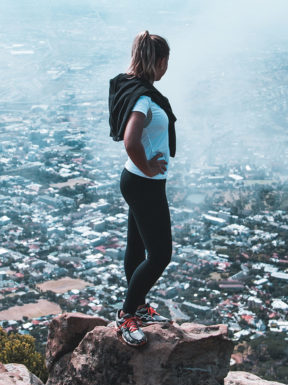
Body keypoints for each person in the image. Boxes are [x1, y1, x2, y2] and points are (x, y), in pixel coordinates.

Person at [108, 30, 177, 347]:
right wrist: (148, 165)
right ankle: (126, 316)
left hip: (138, 181)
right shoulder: (144, 98)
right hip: (143, 182)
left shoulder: (135, 89)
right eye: (166, 61)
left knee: (136, 248)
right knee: (161, 254)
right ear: (159, 61)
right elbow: (131, 139)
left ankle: (136, 307)